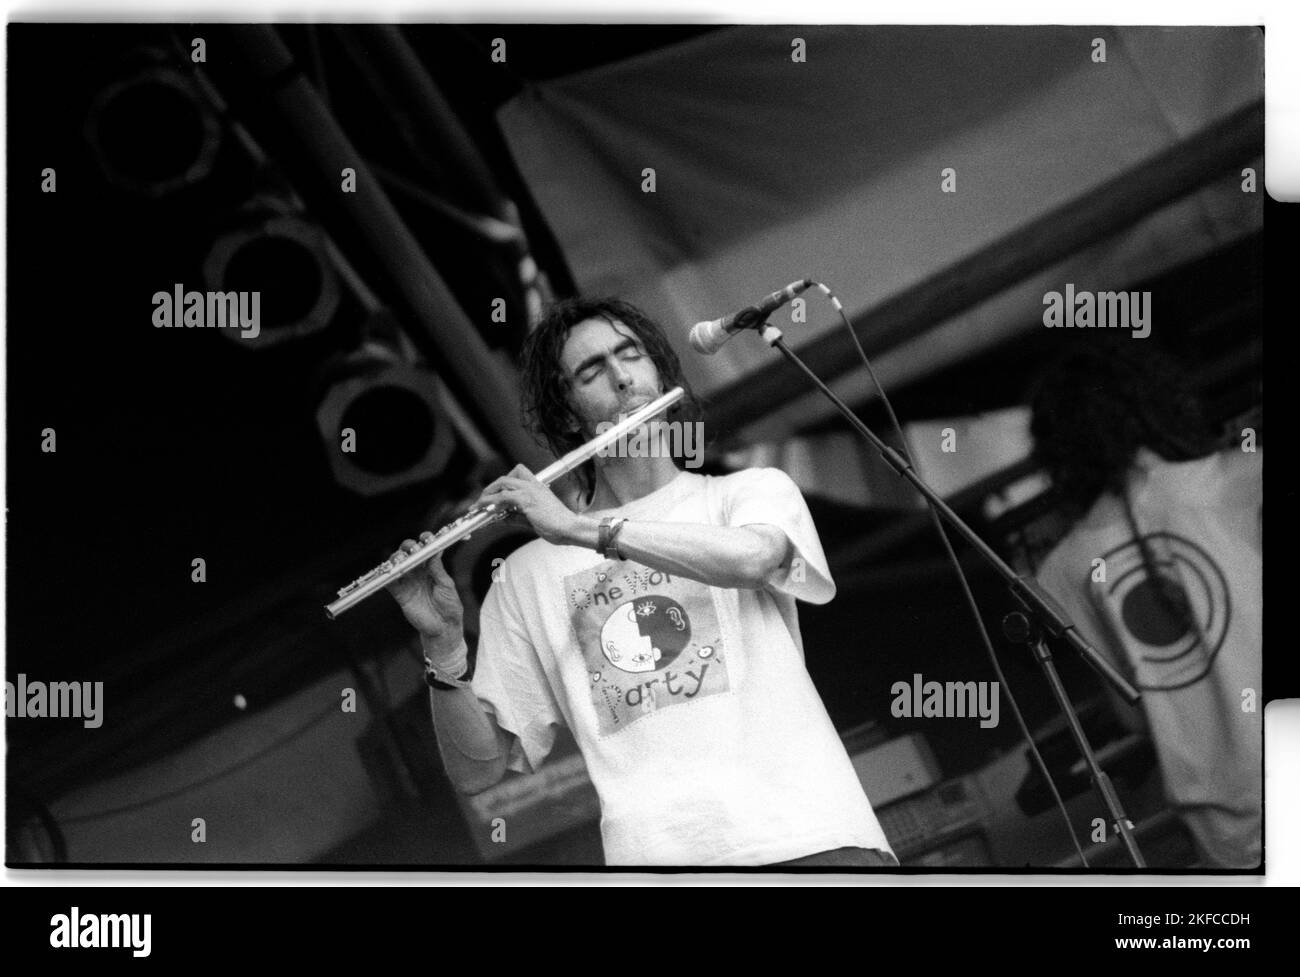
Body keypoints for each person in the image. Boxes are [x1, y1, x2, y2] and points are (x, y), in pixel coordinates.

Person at [386, 297, 896, 868]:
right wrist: (444, 648)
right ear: (569, 413)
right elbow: (479, 769)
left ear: (659, 371)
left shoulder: (746, 494)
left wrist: (582, 530)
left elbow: (754, 559)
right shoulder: (524, 577)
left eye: (631, 355)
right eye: (592, 370)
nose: (623, 377)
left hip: (813, 836)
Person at [1029, 342, 1261, 869]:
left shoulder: (1060, 572)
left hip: (1221, 811)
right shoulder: (1240, 478)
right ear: (1161, 403)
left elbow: (1134, 716)